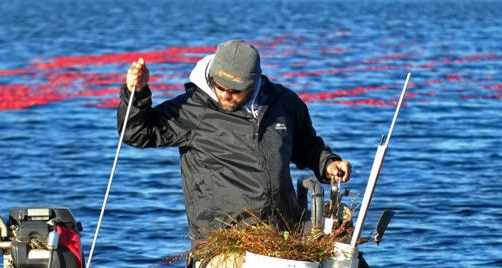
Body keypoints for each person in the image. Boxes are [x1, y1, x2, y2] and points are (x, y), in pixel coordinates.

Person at [118, 39, 351, 239]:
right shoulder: (192, 108)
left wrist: (328, 163)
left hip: (283, 234)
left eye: (235, 90)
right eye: (220, 86)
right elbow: (137, 133)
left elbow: (305, 145)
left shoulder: (284, 103)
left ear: (255, 82)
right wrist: (135, 93)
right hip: (222, 240)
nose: (226, 94)